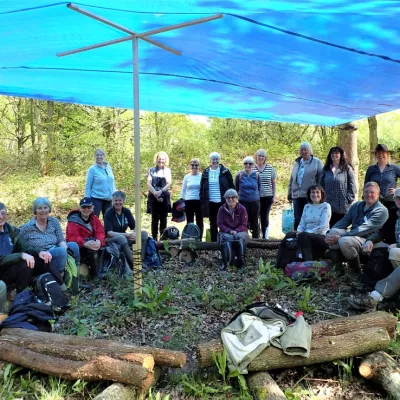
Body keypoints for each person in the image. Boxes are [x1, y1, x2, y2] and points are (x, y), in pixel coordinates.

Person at [325, 182, 388, 270]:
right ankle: (337, 267)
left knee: (344, 241)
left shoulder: (381, 210)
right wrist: (329, 232)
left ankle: (356, 270)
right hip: (354, 235)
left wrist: (340, 237)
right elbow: (344, 221)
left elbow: (363, 229)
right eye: (366, 192)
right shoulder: (357, 205)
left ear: (378, 193)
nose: (369, 194)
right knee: (333, 232)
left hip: (369, 239)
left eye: (372, 192)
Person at [0, 202, 60, 293]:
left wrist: (40, 252)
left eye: (3, 213)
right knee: (25, 262)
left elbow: (27, 248)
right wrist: (21, 255)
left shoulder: (11, 230)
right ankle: (22, 296)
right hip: (2, 272)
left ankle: (62, 289)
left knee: (45, 259)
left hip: (14, 267)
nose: (0, 216)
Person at [20, 197, 80, 275]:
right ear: (35, 210)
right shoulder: (27, 227)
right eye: (40, 208)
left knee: (73, 246)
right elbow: (19, 243)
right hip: (40, 255)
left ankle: (76, 276)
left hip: (55, 248)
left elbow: (60, 239)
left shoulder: (54, 221)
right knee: (60, 252)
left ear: (49, 209)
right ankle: (60, 280)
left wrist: (64, 246)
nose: (43, 210)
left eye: (45, 207)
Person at [66, 197, 106, 277]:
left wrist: (99, 241)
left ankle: (104, 271)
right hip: (79, 248)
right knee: (93, 250)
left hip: (93, 243)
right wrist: (84, 243)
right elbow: (72, 237)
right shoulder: (73, 220)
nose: (86, 209)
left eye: (89, 207)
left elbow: (100, 232)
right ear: (80, 208)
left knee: (106, 249)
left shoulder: (94, 218)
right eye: (84, 207)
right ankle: (96, 276)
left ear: (92, 208)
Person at [288, 142, 323, 229]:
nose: (304, 152)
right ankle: (297, 236)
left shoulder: (317, 162)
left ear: (310, 151)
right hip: (296, 194)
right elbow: (292, 179)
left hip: (310, 195)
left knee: (308, 218)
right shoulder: (297, 163)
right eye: (302, 150)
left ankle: (308, 236)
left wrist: (318, 193)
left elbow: (321, 179)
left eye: (306, 150)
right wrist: (289, 193)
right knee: (297, 217)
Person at [200, 152, 234, 242]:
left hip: (222, 202)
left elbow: (231, 186)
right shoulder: (205, 172)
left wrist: (232, 200)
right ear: (210, 160)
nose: (215, 161)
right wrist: (202, 200)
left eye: (216, 159)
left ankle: (224, 242)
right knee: (213, 223)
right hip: (210, 202)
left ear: (219, 160)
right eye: (213, 159)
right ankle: (214, 243)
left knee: (224, 222)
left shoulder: (225, 171)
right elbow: (202, 188)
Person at [320, 146, 356, 227]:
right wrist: (322, 199)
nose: (334, 155)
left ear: (341, 155)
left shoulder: (347, 168)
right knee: (328, 227)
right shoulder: (326, 169)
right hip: (328, 203)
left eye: (336, 153)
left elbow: (352, 185)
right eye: (332, 153)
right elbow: (320, 185)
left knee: (340, 228)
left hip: (342, 204)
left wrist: (349, 199)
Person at [217, 189, 249, 268]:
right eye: (228, 197)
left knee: (240, 237)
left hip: (240, 231)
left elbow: (244, 224)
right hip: (226, 232)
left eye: (233, 197)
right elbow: (220, 224)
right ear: (225, 199)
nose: (230, 199)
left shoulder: (242, 209)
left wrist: (236, 231)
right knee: (226, 238)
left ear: (237, 198)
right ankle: (225, 262)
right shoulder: (221, 209)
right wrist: (229, 231)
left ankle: (241, 262)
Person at [104, 191, 135, 271]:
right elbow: (109, 233)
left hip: (123, 237)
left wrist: (135, 234)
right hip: (110, 239)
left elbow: (135, 227)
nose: (118, 202)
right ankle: (135, 265)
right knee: (122, 238)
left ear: (123, 201)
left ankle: (142, 261)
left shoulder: (126, 211)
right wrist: (128, 235)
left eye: (120, 200)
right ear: (112, 201)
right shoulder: (109, 213)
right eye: (115, 200)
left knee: (144, 234)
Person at [364, 144, 400, 209]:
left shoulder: (395, 168)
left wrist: (397, 190)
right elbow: (366, 185)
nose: (380, 155)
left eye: (383, 153)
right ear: (375, 155)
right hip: (374, 203)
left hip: (391, 203)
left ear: (387, 154)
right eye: (378, 153)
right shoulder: (371, 169)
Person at [147, 151, 172, 240]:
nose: (161, 161)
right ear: (156, 159)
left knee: (163, 218)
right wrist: (154, 192)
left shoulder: (167, 170)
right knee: (154, 219)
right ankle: (154, 238)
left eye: (163, 159)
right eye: (159, 159)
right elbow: (149, 183)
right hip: (153, 196)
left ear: (165, 160)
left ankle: (163, 238)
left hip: (164, 196)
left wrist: (161, 191)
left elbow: (169, 183)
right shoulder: (151, 170)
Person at [84, 148, 116, 217]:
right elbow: (88, 185)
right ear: (95, 156)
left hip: (109, 199)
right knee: (94, 219)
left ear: (104, 156)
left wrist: (115, 196)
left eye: (101, 155)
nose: (99, 157)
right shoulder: (92, 169)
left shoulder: (109, 167)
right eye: (97, 155)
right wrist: (87, 199)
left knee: (109, 220)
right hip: (96, 199)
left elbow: (112, 183)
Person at [253, 149, 277, 239]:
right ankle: (256, 235)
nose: (261, 157)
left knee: (264, 216)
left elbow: (274, 183)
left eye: (263, 156)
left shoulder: (270, 168)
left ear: (265, 158)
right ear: (256, 156)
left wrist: (274, 196)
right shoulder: (252, 168)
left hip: (267, 196)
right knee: (255, 216)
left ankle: (265, 236)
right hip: (255, 197)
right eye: (259, 155)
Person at [235, 156, 261, 239]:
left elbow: (259, 188)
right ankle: (244, 239)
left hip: (255, 202)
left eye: (250, 163)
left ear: (253, 165)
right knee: (243, 221)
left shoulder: (256, 175)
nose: (248, 165)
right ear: (243, 164)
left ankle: (256, 241)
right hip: (243, 202)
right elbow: (236, 188)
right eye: (246, 163)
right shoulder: (239, 175)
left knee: (255, 221)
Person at [180, 158, 203, 238]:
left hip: (199, 201)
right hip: (188, 201)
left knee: (199, 220)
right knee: (189, 221)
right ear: (190, 166)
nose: (194, 166)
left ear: (199, 166)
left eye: (196, 165)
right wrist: (181, 200)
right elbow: (183, 189)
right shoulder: (187, 177)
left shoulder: (202, 176)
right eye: (192, 165)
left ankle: (199, 238)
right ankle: (190, 238)